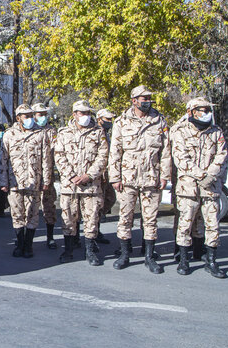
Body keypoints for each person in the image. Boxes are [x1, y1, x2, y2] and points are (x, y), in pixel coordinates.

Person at [109, 85, 171, 274]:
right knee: (125, 218)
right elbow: (115, 152)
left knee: (150, 219)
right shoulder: (121, 121)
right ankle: (125, 254)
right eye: (143, 98)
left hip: (151, 178)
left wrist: (165, 176)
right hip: (127, 179)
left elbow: (166, 152)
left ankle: (149, 257)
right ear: (134, 100)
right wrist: (114, 177)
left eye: (149, 98)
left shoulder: (159, 121)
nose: (147, 101)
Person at [171, 97, 228, 278]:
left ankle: (211, 261)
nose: (207, 113)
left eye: (207, 110)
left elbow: (222, 155)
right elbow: (181, 159)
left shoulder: (216, 131)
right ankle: (184, 260)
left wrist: (210, 175)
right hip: (189, 188)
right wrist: (202, 176)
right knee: (185, 224)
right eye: (202, 110)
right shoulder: (181, 132)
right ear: (191, 112)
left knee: (212, 225)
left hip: (211, 187)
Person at [54, 100, 109, 265]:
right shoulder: (64, 133)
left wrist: (89, 175)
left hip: (91, 186)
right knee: (69, 218)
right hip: (70, 186)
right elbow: (59, 155)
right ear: (74, 114)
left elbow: (103, 156)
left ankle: (90, 251)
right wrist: (71, 176)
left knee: (91, 219)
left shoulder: (98, 132)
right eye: (82, 113)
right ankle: (68, 250)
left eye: (88, 113)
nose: (86, 116)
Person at [0, 104, 52, 259]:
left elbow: (46, 159)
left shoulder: (40, 134)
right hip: (14, 182)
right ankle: (20, 243)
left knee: (32, 214)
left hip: (34, 181)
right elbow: (3, 160)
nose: (30, 119)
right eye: (26, 116)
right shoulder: (9, 134)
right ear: (18, 118)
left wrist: (46, 180)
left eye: (31, 115)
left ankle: (29, 245)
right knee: (17, 214)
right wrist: (3, 181)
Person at [32, 102, 58, 249]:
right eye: (40, 114)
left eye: (44, 114)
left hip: (47, 174)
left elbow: (56, 149)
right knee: (30, 207)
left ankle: (50, 237)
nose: (43, 117)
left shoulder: (51, 130)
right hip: (32, 174)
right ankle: (27, 237)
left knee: (49, 205)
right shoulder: (29, 131)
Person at [96, 108, 117, 245]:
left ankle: (96, 230)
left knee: (109, 199)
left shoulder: (107, 133)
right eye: (107, 119)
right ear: (99, 119)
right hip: (97, 175)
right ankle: (93, 234)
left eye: (111, 119)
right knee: (96, 205)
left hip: (107, 174)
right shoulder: (95, 133)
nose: (109, 122)